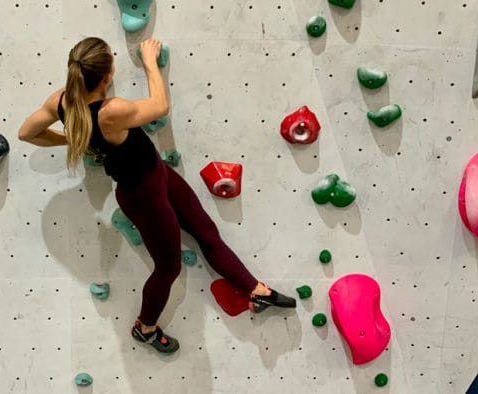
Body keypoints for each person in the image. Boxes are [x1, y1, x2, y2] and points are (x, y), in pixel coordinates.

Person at [18, 37, 297, 354]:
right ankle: (145, 328)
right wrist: (150, 61)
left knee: (207, 234)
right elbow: (159, 106)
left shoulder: (60, 102)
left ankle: (255, 290)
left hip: (157, 175)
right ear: (107, 76)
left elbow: (26, 132)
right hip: (142, 197)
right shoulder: (112, 111)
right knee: (168, 269)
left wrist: (72, 140)